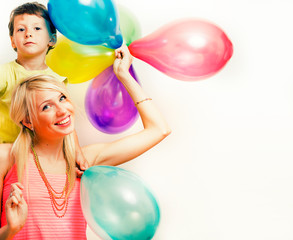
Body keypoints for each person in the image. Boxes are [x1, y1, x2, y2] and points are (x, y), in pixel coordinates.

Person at [0, 45, 171, 239]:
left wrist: (123, 75)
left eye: (62, 98)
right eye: (46, 106)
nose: (62, 110)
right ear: (28, 121)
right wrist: (11, 229)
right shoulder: (7, 157)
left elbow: (159, 129)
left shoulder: (84, 161)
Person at [0, 2, 88, 174]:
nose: (29, 34)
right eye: (21, 30)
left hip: (42, 153)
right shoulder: (4, 73)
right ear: (12, 41)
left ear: (52, 39)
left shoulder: (57, 80)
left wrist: (77, 151)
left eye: (37, 28)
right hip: (8, 150)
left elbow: (65, 121)